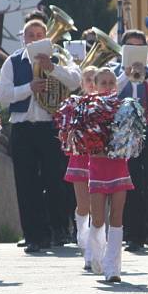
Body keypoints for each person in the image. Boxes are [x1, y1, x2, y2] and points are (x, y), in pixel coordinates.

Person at [0, 18, 81, 254]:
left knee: (56, 181)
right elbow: (3, 97)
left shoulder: (60, 58)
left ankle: (58, 229)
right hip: (23, 128)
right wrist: (28, 88)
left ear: (46, 38)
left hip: (50, 128)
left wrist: (52, 68)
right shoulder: (12, 62)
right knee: (26, 184)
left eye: (39, 35)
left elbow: (75, 82)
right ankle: (34, 235)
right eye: (30, 35)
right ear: (23, 38)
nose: (34, 39)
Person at [113, 29, 148, 251]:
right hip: (125, 133)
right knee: (131, 182)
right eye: (130, 47)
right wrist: (125, 75)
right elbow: (106, 90)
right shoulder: (115, 69)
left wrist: (146, 75)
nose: (135, 51)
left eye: (139, 47)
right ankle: (134, 234)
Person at [86, 68, 135, 283]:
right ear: (95, 86)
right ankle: (97, 257)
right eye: (103, 83)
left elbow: (132, 140)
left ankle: (113, 267)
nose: (107, 86)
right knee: (97, 219)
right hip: (97, 167)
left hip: (118, 167)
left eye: (110, 83)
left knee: (117, 217)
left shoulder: (123, 108)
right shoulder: (88, 109)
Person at [64, 66, 98, 271]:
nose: (92, 83)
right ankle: (83, 239)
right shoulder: (75, 105)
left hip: (100, 161)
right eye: (88, 79)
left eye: (96, 79)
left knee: (99, 208)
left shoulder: (109, 106)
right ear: (81, 83)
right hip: (79, 159)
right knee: (84, 206)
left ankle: (93, 252)